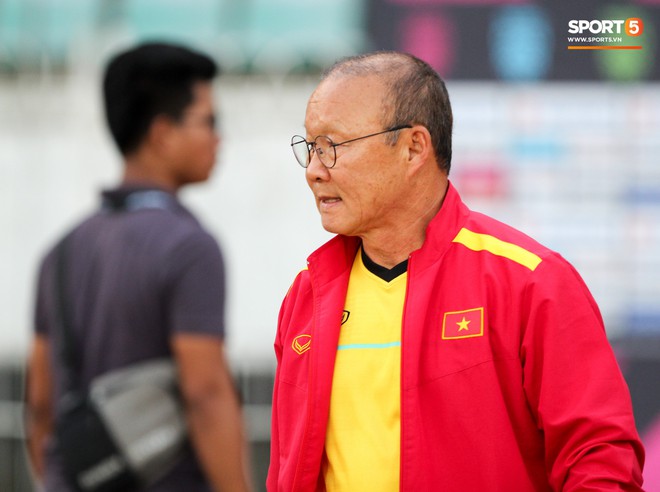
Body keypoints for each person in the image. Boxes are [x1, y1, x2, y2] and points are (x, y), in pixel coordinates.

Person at [267, 51, 645, 491]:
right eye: (311, 148)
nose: (314, 171)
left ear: (413, 148)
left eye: (333, 146)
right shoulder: (306, 296)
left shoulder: (530, 282)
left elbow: (600, 461)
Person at [24, 42, 251, 492]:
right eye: (209, 121)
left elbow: (40, 404)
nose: (219, 137)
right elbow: (205, 394)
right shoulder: (190, 247)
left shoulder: (60, 253)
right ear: (162, 133)